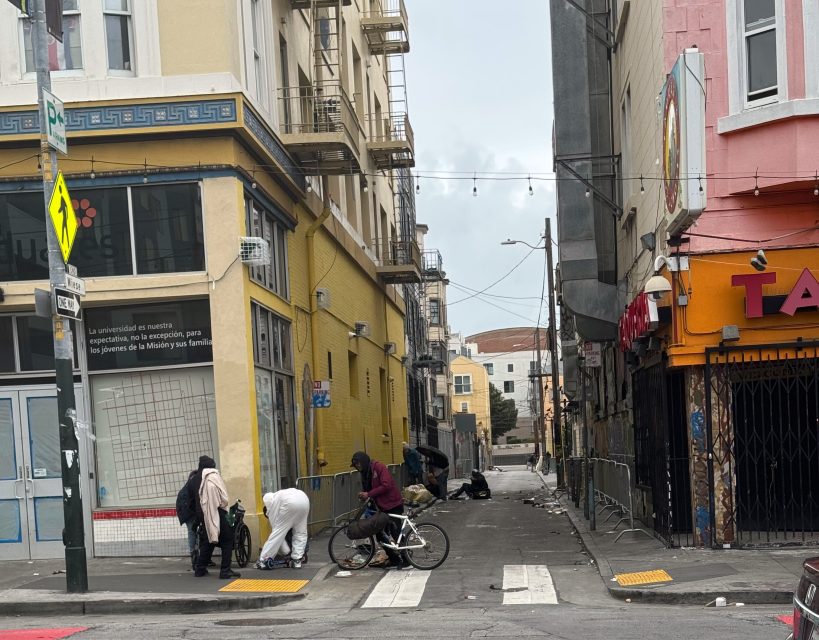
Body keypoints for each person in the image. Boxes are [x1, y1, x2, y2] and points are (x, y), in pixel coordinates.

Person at [351, 451, 405, 569]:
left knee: (396, 532)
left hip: (392, 504)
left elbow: (387, 485)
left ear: (364, 461)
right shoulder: (365, 473)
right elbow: (368, 490)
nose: (358, 467)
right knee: (380, 535)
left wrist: (369, 493)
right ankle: (394, 559)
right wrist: (364, 495)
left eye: (358, 464)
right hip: (382, 507)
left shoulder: (379, 467)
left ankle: (406, 560)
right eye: (356, 465)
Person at [193, 455, 241, 579]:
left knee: (209, 541)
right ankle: (225, 570)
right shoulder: (214, 478)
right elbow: (223, 499)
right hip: (218, 512)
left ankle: (200, 568)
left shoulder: (200, 478)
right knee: (227, 540)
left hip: (206, 514)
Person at [255, 488, 310, 570]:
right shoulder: (279, 495)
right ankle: (297, 561)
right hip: (304, 499)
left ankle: (263, 561)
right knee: (300, 532)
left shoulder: (273, 505)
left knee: (277, 534)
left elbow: (277, 533)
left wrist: (286, 552)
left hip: (290, 503)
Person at [175, 469, 198, 568]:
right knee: (193, 532)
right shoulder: (192, 487)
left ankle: (194, 554)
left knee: (192, 532)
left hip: (186, 514)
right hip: (189, 513)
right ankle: (195, 554)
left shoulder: (185, 488)